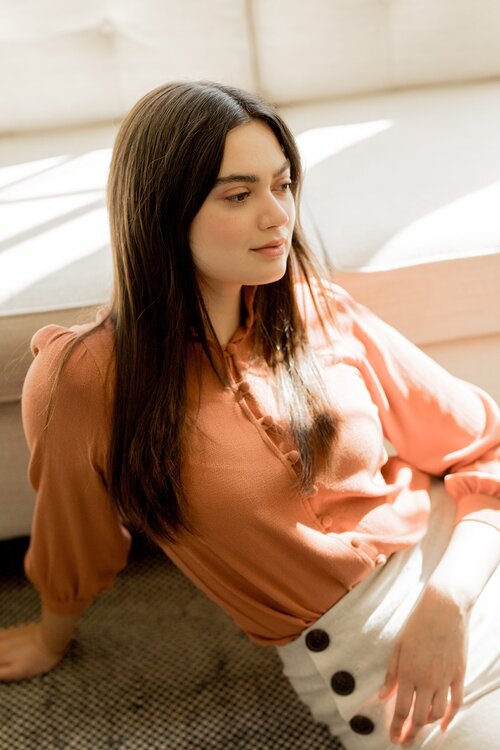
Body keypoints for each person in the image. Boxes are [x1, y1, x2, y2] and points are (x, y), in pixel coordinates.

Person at [0, 81, 498, 750]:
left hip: (466, 571)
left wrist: (449, 600)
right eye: (238, 195)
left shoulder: (317, 309)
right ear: (162, 212)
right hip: (392, 672)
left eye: (283, 185)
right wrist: (49, 634)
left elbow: (481, 447)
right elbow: (76, 535)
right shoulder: (86, 381)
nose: (277, 217)